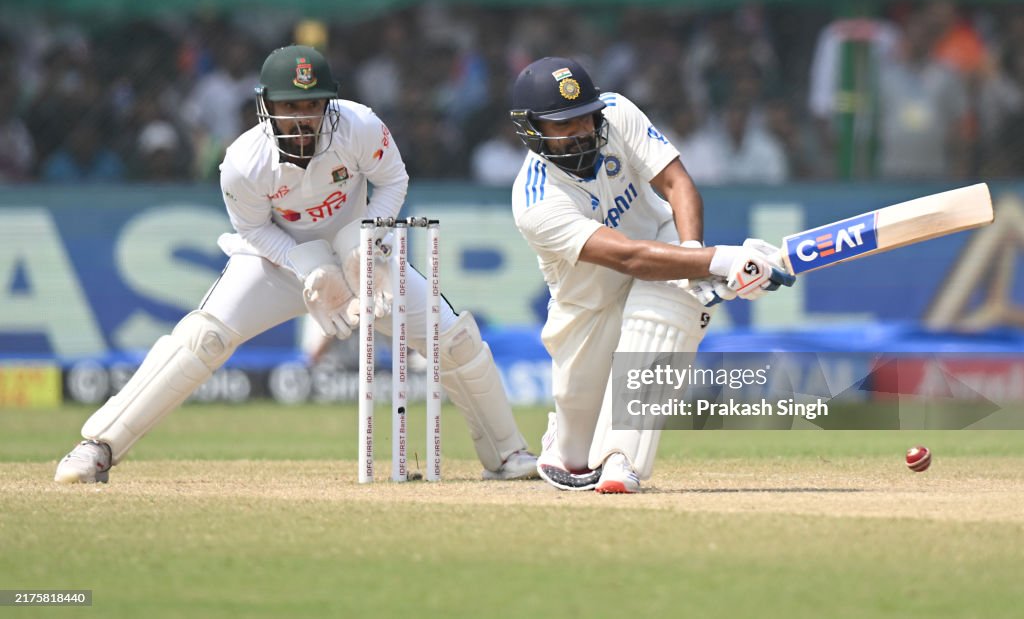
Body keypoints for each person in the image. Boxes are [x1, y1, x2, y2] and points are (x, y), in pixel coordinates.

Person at [55, 44, 537, 483]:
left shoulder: (360, 126)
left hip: (359, 258)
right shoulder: (244, 162)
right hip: (275, 261)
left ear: (329, 103)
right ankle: (98, 447)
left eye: (312, 104)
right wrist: (306, 266)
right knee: (203, 339)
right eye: (290, 105)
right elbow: (253, 229)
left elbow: (394, 181)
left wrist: (366, 243)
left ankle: (506, 454)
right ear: (266, 105)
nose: (302, 117)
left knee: (454, 340)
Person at [508, 57, 794, 494]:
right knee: (574, 459)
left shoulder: (617, 112)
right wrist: (718, 263)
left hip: (661, 243)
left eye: (585, 116)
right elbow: (627, 259)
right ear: (533, 129)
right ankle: (569, 439)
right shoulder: (535, 201)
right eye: (564, 124)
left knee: (666, 315)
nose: (582, 130)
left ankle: (622, 460)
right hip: (588, 302)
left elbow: (677, 184)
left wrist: (693, 258)